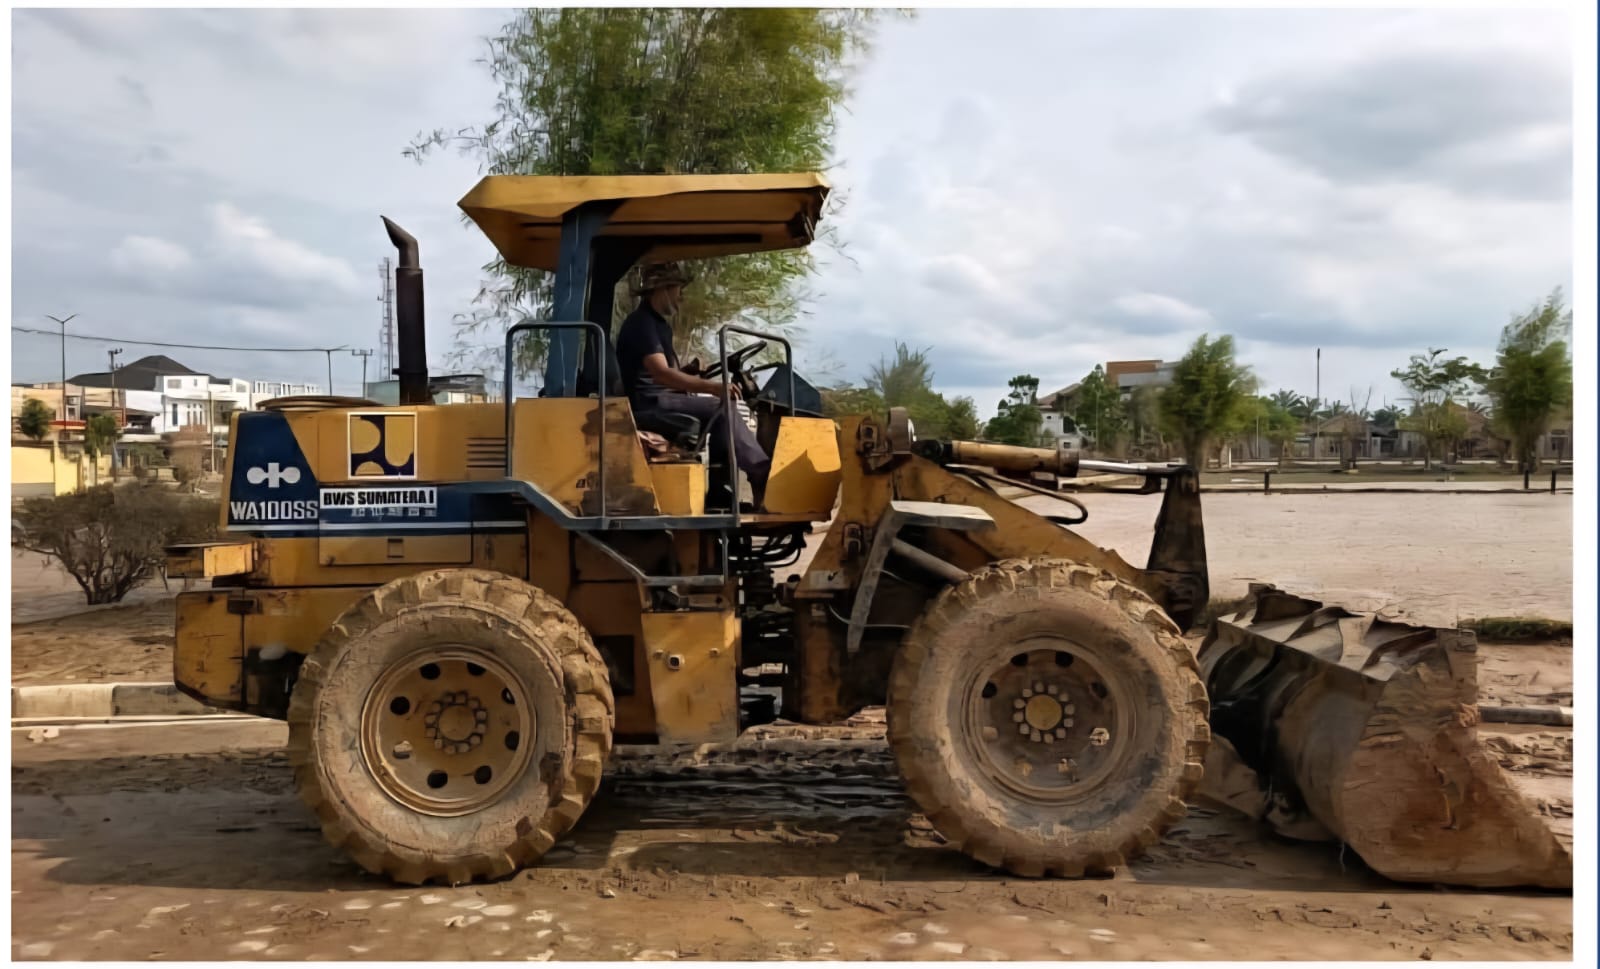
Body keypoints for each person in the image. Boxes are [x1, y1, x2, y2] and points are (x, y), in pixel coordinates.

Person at [615, 262, 771, 506]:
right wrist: (712, 387)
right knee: (723, 408)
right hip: (651, 404)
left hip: (661, 398)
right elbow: (661, 375)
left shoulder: (657, 325)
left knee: (721, 410)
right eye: (678, 289)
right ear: (663, 289)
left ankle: (720, 494)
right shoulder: (641, 324)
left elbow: (666, 373)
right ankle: (762, 475)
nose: (681, 296)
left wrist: (690, 373)